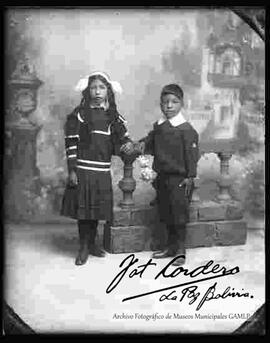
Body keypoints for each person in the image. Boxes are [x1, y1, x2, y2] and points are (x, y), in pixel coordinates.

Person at [61, 71, 133, 266]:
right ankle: (83, 246)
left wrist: (127, 145)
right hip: (83, 170)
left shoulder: (114, 117)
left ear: (108, 91)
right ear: (87, 91)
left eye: (101, 87)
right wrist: (72, 170)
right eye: (93, 87)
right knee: (84, 212)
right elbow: (71, 143)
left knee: (95, 211)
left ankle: (92, 243)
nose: (97, 91)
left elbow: (120, 141)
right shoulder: (80, 115)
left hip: (101, 170)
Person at [134, 84, 199, 266]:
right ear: (161, 104)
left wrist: (190, 176)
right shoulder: (160, 125)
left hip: (180, 179)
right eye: (165, 102)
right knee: (166, 213)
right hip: (162, 177)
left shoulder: (186, 129)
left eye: (174, 102)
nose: (169, 106)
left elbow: (192, 155)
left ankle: (180, 250)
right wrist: (141, 145)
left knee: (178, 215)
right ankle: (169, 247)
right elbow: (150, 141)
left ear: (181, 104)